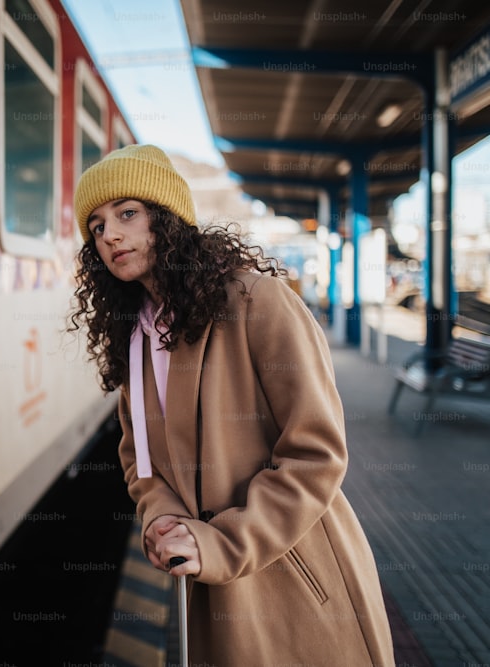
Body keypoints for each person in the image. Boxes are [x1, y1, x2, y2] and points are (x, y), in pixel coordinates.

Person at [69, 145, 395, 666]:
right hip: (216, 590)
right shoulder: (136, 336)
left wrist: (223, 545)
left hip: (297, 576)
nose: (109, 234)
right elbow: (141, 462)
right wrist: (163, 519)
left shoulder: (255, 301)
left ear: (166, 218)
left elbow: (317, 453)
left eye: (127, 213)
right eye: (97, 224)